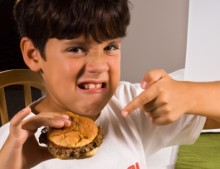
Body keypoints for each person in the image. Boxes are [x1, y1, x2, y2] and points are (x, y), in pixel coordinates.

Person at [0, 0, 220, 168]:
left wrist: (190, 95)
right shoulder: (10, 145)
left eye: (110, 47)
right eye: (76, 49)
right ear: (33, 54)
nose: (99, 66)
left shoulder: (129, 106)